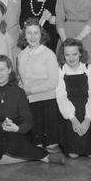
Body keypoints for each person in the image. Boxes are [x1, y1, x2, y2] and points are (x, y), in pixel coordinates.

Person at [0, 54, 65, 166]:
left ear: (9, 70)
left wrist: (17, 128)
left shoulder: (19, 92)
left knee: (12, 145)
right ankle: (39, 156)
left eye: (2, 70)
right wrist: (0, 126)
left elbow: (29, 121)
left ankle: (41, 156)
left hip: (16, 131)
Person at [56, 38, 91, 158]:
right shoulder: (60, 71)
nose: (71, 58)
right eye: (67, 55)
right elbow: (61, 98)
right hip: (70, 115)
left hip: (89, 113)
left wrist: (87, 120)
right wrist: (73, 120)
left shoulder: (89, 69)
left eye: (75, 54)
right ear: (63, 55)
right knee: (73, 155)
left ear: (80, 53)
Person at [17, 19, 60, 151]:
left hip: (47, 102)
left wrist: (31, 90)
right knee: (36, 146)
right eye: (29, 33)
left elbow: (54, 82)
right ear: (24, 35)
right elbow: (20, 78)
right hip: (30, 102)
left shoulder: (48, 54)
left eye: (36, 33)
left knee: (50, 146)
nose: (33, 37)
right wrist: (21, 86)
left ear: (41, 35)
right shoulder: (21, 55)